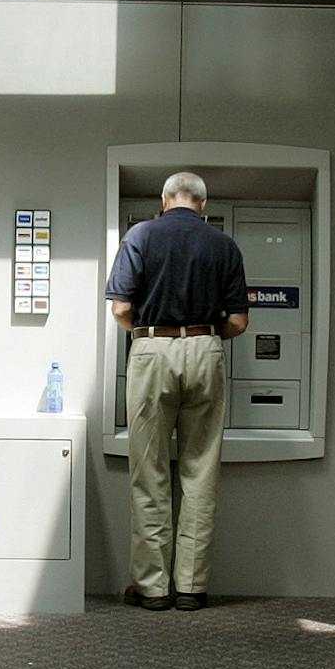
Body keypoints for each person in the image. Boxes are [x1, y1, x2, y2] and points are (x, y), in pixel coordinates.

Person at [106, 171, 248, 612]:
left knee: (149, 474)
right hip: (206, 349)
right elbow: (239, 322)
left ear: (164, 199)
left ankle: (152, 588)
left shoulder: (140, 235)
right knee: (200, 472)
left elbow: (122, 308)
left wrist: (153, 335)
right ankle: (190, 586)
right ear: (203, 205)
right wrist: (201, 336)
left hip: (152, 348)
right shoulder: (224, 245)